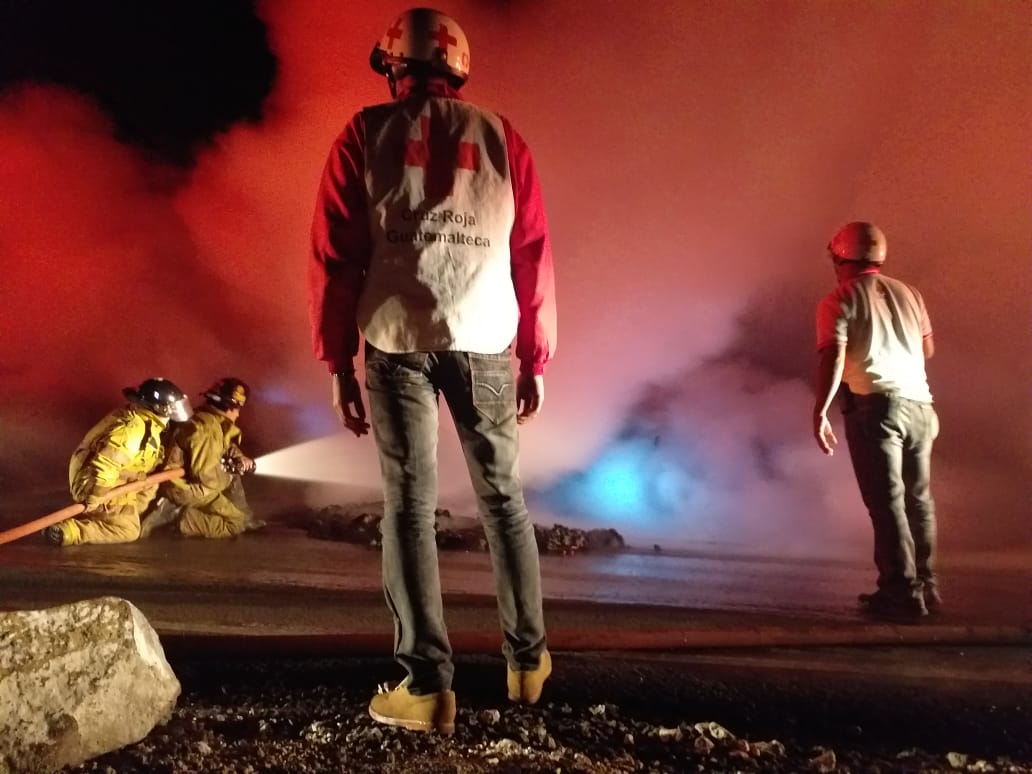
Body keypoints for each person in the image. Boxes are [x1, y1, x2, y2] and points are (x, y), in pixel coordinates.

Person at [308, 7, 557, 734]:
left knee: (410, 509)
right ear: (459, 68)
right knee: (504, 500)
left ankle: (425, 686)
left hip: (395, 337)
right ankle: (527, 663)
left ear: (392, 67)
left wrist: (335, 359)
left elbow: (336, 255)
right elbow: (532, 250)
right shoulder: (503, 135)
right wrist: (536, 354)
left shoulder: (364, 132)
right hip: (485, 337)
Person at [812, 221, 940, 622]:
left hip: (875, 408)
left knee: (887, 504)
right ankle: (927, 585)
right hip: (921, 406)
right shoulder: (910, 293)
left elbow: (833, 358)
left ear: (841, 258)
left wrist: (821, 411)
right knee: (920, 501)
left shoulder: (837, 300)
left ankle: (901, 594)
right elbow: (928, 349)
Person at [44, 377, 192, 546]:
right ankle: (71, 531)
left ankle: (107, 515)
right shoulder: (134, 430)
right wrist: (95, 496)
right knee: (128, 530)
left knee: (148, 490)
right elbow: (107, 463)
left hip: (111, 479)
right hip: (94, 483)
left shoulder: (143, 422)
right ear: (160, 408)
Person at [140, 377, 263, 539]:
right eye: (238, 409)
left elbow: (222, 444)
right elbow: (207, 478)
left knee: (232, 476)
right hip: (184, 489)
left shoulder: (206, 417)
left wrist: (238, 457)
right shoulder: (208, 429)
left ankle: (245, 517)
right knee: (235, 523)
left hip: (182, 482)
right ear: (229, 407)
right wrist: (228, 472)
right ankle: (181, 519)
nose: (239, 414)